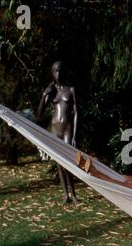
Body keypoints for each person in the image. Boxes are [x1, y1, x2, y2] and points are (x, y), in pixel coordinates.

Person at [37, 61, 78, 204]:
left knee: (68, 162)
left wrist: (74, 135)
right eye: (55, 71)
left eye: (60, 71)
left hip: (67, 128)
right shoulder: (51, 91)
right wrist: (43, 95)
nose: (58, 74)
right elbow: (39, 114)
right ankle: (65, 194)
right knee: (59, 163)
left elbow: (76, 113)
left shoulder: (70, 89)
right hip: (55, 130)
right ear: (52, 73)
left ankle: (73, 194)